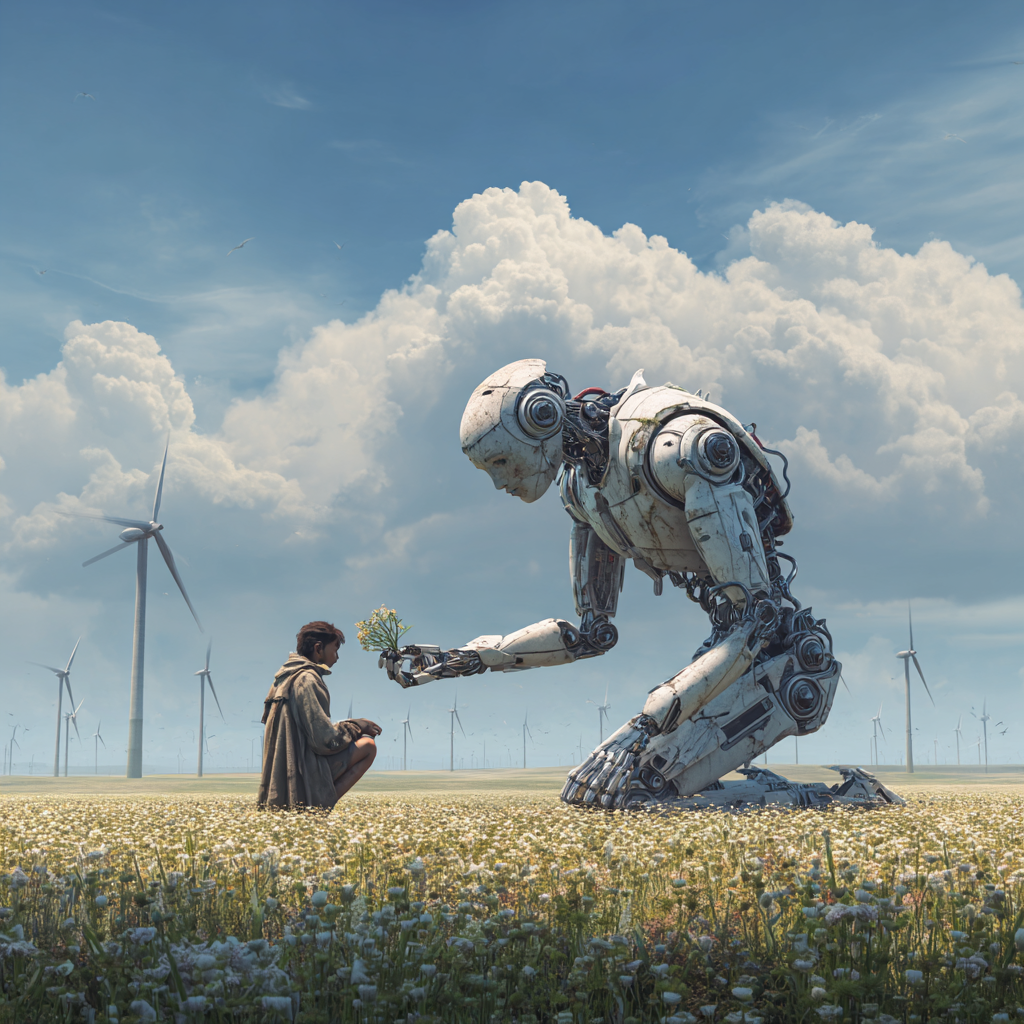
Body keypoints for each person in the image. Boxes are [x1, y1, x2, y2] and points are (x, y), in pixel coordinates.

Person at [258, 620, 380, 810]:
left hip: (281, 774)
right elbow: (324, 741)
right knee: (368, 746)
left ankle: (314, 806)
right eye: (335, 649)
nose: (337, 657)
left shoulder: (282, 678)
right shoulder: (307, 679)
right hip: (302, 771)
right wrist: (357, 726)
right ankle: (317, 807)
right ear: (318, 648)